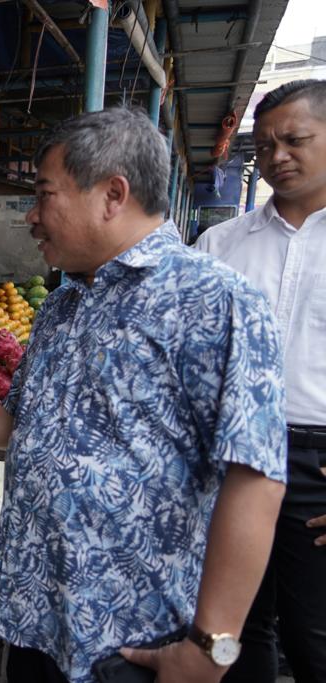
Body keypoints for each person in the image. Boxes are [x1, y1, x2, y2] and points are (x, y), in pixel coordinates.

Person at [0, 108, 288, 683]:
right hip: (35, 619)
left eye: (45, 194)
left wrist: (210, 646)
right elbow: (16, 419)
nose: (32, 214)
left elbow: (256, 480)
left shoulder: (217, 302)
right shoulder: (62, 303)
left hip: (133, 640)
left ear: (112, 194)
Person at [195, 79, 326, 683]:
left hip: (316, 464)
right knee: (233, 627)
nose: (277, 157)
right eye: (265, 145)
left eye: (295, 139)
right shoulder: (219, 246)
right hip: (228, 455)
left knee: (314, 634)